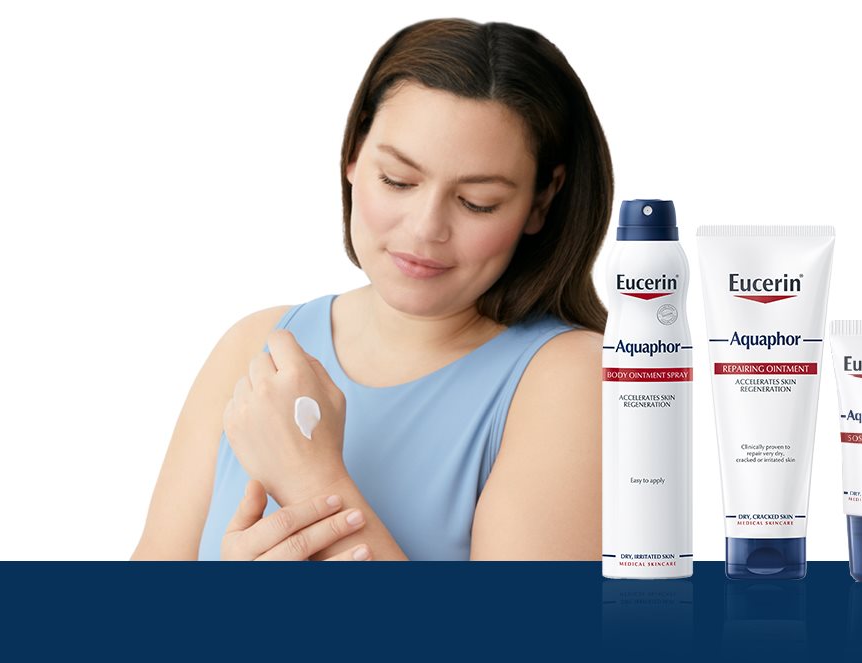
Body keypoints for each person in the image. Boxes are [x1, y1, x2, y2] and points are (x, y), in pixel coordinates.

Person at [132, 18, 614, 561]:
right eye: (397, 180)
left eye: (477, 202)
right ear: (354, 155)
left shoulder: (575, 377)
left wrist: (309, 476)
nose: (426, 228)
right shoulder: (255, 345)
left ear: (541, 201)